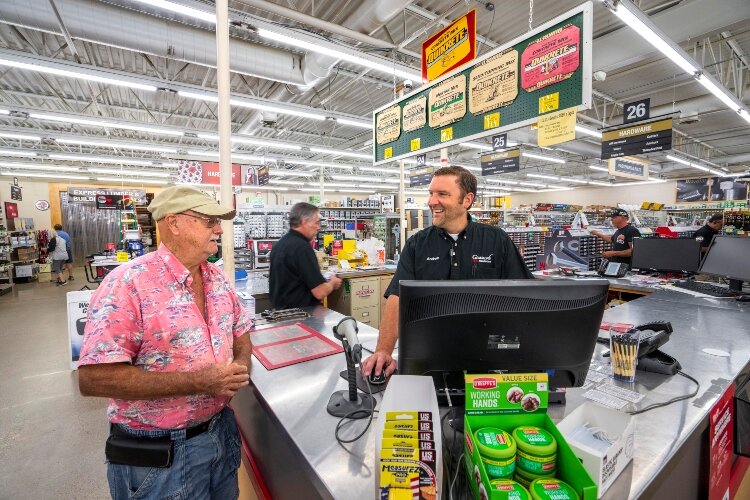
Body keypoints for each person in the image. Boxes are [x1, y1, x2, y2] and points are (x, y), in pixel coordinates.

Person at [78, 185, 253, 500]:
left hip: (221, 434)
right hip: (159, 456)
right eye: (208, 220)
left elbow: (241, 331)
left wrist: (240, 364)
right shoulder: (127, 284)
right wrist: (198, 382)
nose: (218, 229)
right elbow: (93, 378)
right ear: (174, 223)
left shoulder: (217, 278)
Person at [362, 166, 533, 379]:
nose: (432, 201)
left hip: (487, 358)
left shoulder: (497, 240)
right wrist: (383, 350)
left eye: (442, 194)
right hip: (427, 357)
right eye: (431, 193)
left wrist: (539, 360)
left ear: (467, 200)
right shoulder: (416, 245)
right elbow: (398, 297)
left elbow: (526, 297)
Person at [269, 202, 342, 309]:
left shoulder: (280, 244)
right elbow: (320, 292)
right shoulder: (302, 249)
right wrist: (333, 283)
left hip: (281, 313)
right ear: (304, 221)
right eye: (317, 223)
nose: (319, 227)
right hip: (301, 315)